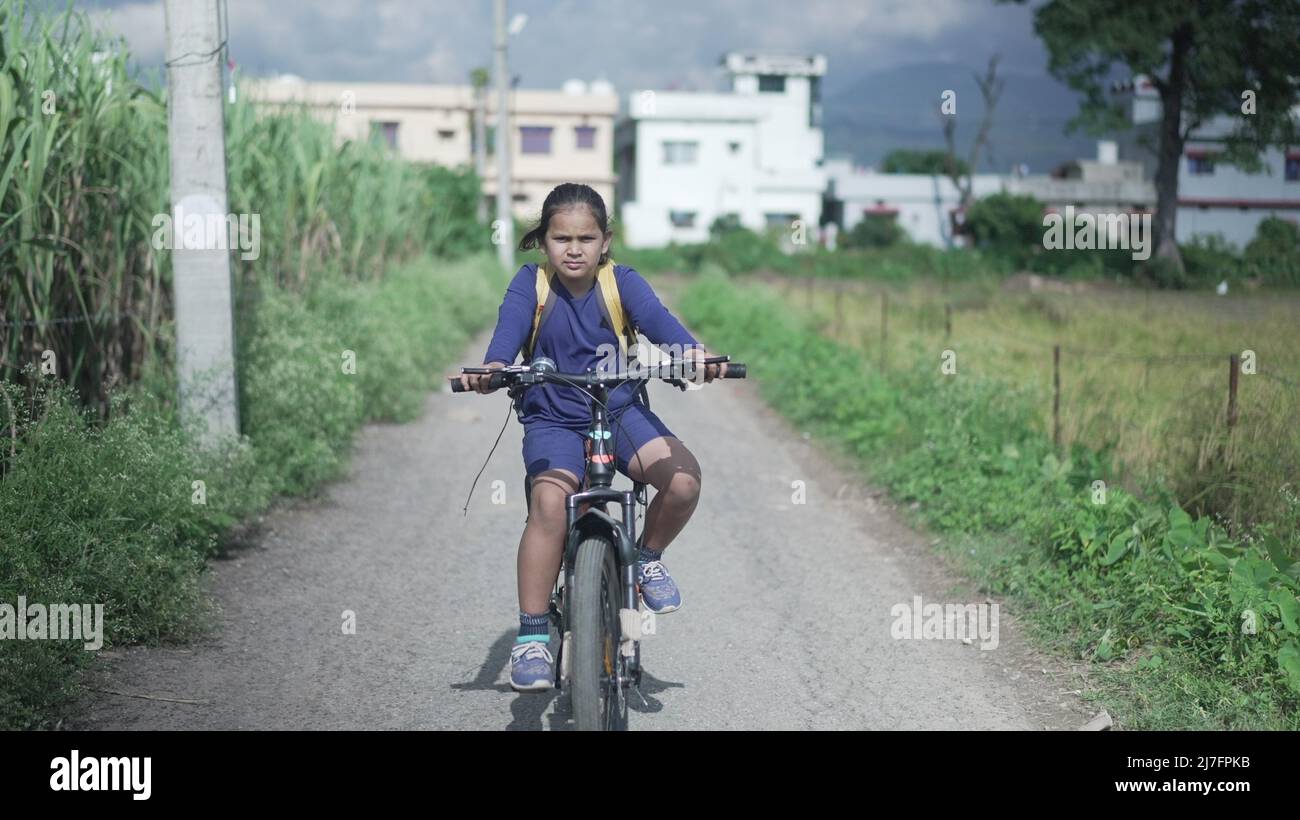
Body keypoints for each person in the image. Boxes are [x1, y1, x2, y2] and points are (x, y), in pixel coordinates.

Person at [458, 182, 725, 692]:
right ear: (544, 241)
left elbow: (661, 325)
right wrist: (493, 367)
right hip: (552, 417)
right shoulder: (529, 285)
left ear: (605, 240)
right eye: (561, 238)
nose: (574, 248)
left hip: (619, 408)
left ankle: (645, 559)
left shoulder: (621, 283)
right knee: (550, 505)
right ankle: (533, 636)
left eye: (586, 237)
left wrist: (695, 354)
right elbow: (507, 335)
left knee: (684, 482)